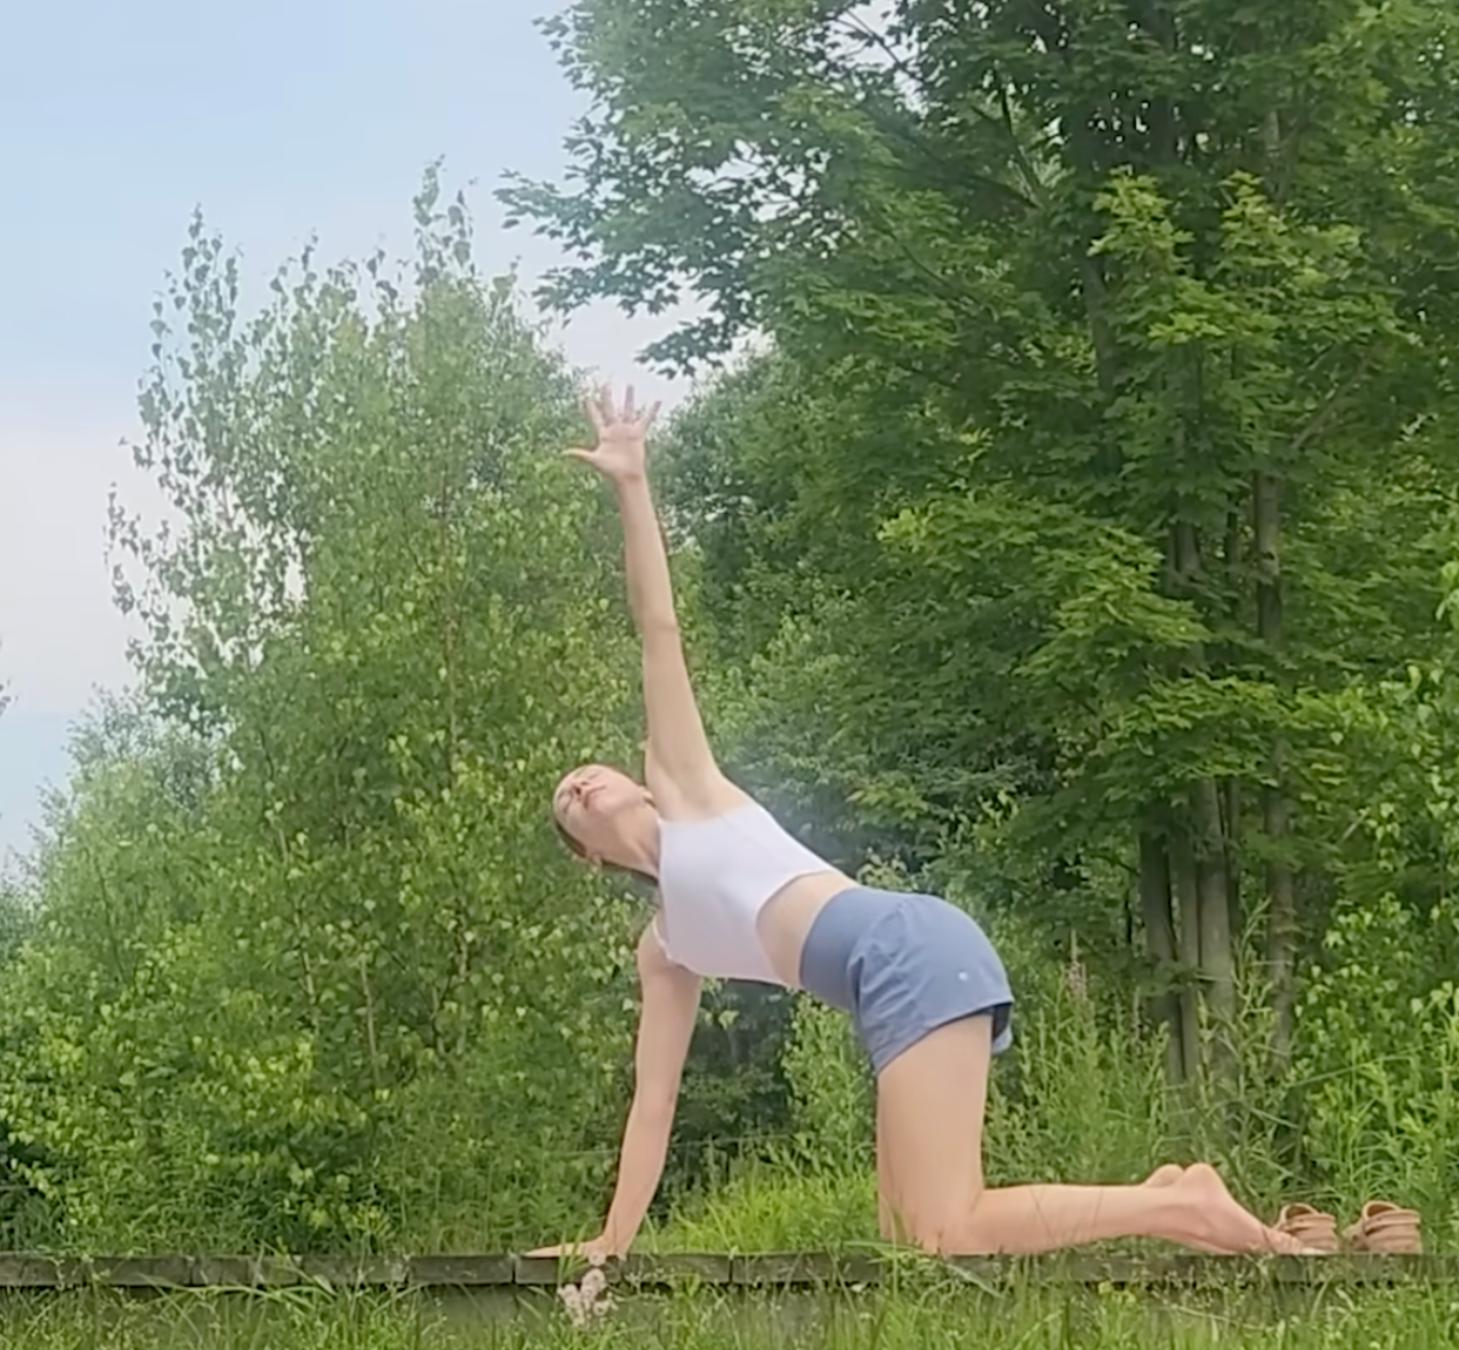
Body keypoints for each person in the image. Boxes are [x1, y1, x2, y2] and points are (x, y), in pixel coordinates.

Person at [530, 384, 1307, 1261]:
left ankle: (1187, 1208)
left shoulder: (688, 786)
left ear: (633, 781)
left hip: (903, 946)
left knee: (944, 1228)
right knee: (913, 1236)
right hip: (884, 979)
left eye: (587, 773)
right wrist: (610, 1242)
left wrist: (632, 485)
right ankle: (1167, 1192)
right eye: (565, 800)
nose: (579, 786)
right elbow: (654, 1100)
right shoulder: (662, 949)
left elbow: (657, 629)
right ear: (587, 855)